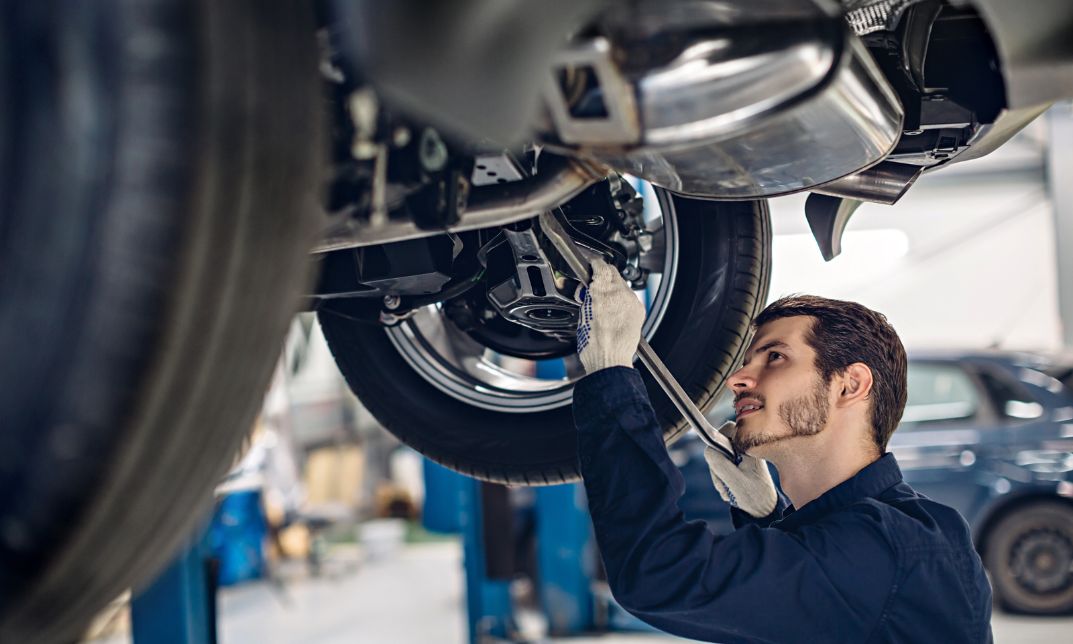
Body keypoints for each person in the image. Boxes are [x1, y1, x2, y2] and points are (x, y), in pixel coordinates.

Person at [572, 261, 993, 643]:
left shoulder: (883, 547)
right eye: (747, 360)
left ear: (850, 385)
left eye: (775, 357)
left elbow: (658, 574)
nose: (737, 378)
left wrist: (611, 374)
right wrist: (767, 518)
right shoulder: (914, 529)